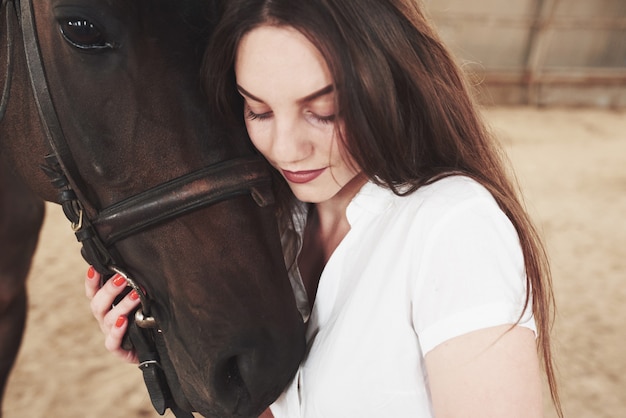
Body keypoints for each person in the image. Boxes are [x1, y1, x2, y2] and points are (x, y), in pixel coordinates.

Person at [85, 0, 563, 416]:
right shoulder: (270, 224)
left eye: (324, 112)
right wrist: (173, 349)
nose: (288, 149)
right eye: (260, 111)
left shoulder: (452, 226)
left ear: (389, 86)